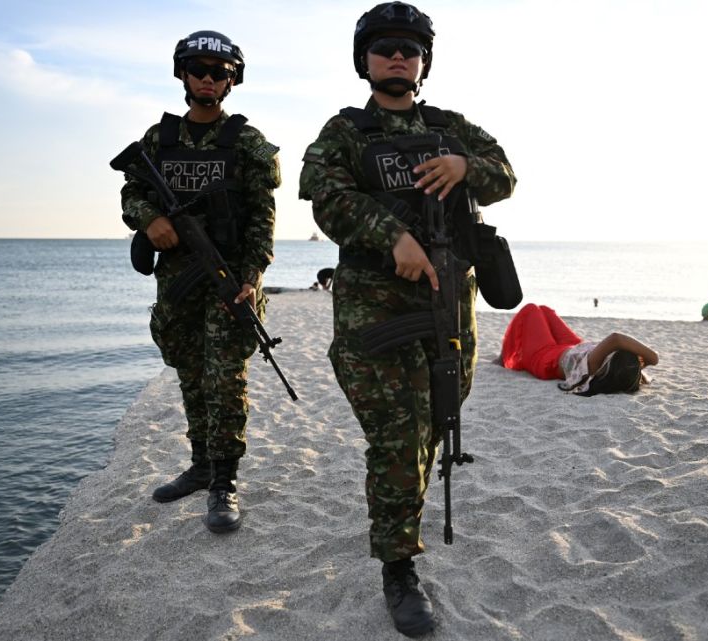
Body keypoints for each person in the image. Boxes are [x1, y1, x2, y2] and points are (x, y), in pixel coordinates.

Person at [298, 3, 516, 635]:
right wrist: (390, 235)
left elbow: (506, 173)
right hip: (375, 308)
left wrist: (467, 168)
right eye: (385, 46)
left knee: (437, 419)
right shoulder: (344, 131)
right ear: (365, 60)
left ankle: (402, 524)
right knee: (398, 433)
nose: (398, 55)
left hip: (448, 300)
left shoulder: (452, 129)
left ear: (423, 61)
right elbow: (323, 193)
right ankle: (399, 567)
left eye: (410, 48)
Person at [118, 30, 281, 533]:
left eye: (219, 72)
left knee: (225, 378)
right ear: (182, 74)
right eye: (199, 69)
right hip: (176, 282)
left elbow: (262, 218)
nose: (208, 79)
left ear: (232, 80)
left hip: (229, 280)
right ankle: (200, 463)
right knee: (190, 370)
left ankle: (224, 481)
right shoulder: (157, 141)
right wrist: (149, 219)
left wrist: (252, 277)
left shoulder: (249, 144)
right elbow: (130, 193)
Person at [499, 304, 658, 395]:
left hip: (546, 357)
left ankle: (504, 357)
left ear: (611, 363)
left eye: (615, 353)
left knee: (531, 309)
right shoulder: (615, 372)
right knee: (546, 310)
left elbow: (616, 338)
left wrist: (654, 358)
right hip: (573, 346)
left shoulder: (595, 365)